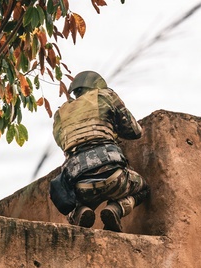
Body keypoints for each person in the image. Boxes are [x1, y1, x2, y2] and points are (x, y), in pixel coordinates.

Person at [50, 70, 149, 232]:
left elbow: (63, 144)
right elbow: (135, 132)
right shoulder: (106, 95)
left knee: (73, 202)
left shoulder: (60, 113)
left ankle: (81, 211)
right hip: (115, 178)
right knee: (143, 188)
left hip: (80, 186)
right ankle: (116, 209)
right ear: (97, 85)